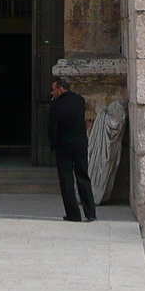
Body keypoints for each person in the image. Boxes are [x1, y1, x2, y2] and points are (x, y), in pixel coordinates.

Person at [48, 77, 97, 222]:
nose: (52, 93)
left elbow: (52, 128)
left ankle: (73, 214)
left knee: (67, 180)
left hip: (64, 147)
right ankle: (90, 213)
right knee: (83, 177)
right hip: (80, 145)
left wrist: (53, 144)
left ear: (60, 89)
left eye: (53, 90)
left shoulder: (56, 105)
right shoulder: (79, 100)